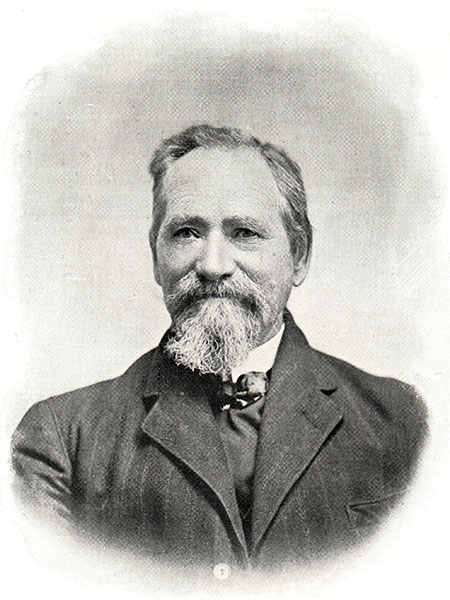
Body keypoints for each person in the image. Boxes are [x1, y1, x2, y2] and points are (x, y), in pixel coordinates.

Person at [11, 124, 427, 579]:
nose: (212, 265)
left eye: (244, 232)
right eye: (187, 233)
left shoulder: (401, 423)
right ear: (155, 257)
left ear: (300, 256)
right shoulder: (62, 440)